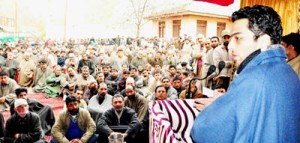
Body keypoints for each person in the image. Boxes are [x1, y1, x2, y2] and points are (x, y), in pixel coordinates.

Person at [191, 5, 300, 143]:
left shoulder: (253, 78)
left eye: (238, 38)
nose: (230, 46)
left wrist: (214, 109)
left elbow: (203, 132)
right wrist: (226, 102)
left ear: (263, 39)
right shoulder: (288, 72)